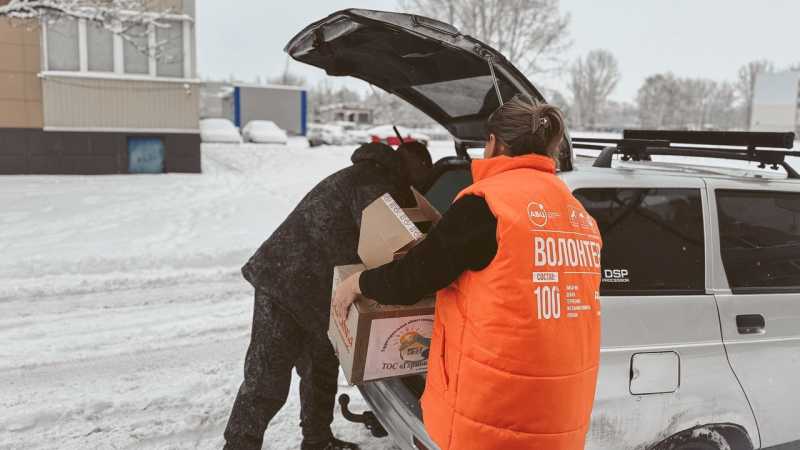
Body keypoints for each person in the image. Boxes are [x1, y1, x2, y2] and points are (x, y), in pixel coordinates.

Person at [333, 96, 603, 450]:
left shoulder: (486, 205)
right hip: (562, 414)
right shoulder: (579, 214)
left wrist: (357, 283)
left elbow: (411, 279)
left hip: (496, 413)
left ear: (494, 143)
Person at [224, 141, 433, 450]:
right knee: (267, 378)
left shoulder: (374, 176)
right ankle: (239, 445)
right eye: (422, 175)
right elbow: (387, 243)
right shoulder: (372, 183)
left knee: (321, 368)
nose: (420, 185)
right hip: (285, 282)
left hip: (319, 289)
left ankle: (317, 440)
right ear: (412, 165)